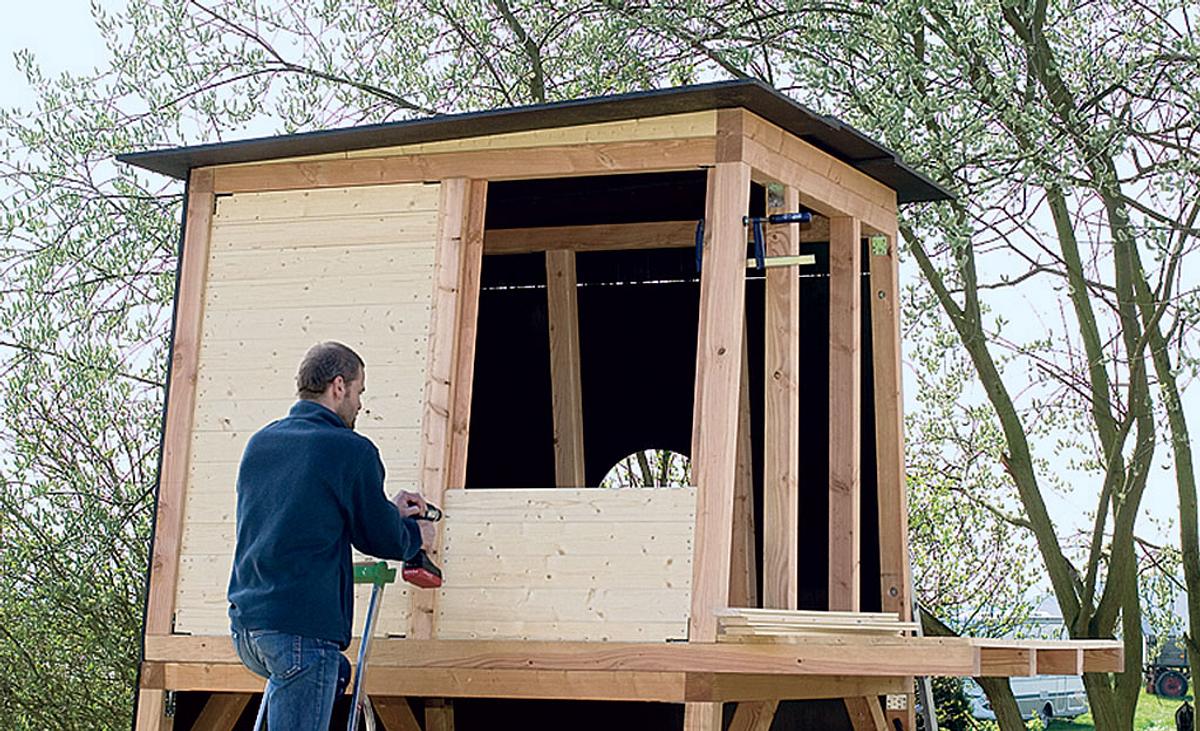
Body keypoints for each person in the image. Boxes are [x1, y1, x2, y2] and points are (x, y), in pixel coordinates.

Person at [227, 341, 434, 729]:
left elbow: (305, 514)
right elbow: (380, 538)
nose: (359, 405)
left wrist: (387, 509)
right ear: (339, 386)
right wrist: (416, 535)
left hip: (248, 628)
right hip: (301, 632)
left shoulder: (261, 443)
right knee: (318, 668)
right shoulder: (348, 450)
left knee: (332, 672)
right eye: (359, 392)